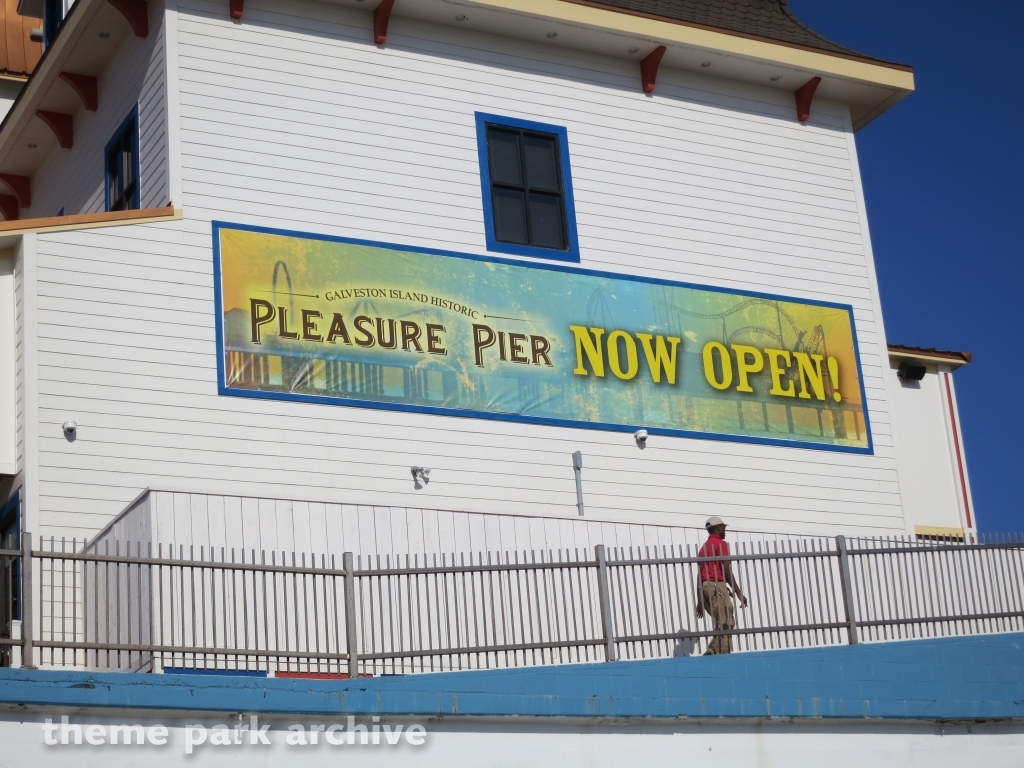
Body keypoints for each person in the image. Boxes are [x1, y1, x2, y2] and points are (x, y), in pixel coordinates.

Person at [695, 516, 747, 654]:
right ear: (718, 528)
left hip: (705, 588)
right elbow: (726, 568)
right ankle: (723, 655)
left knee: (721, 620)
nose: (725, 531)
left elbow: (699, 575)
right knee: (726, 621)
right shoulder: (721, 544)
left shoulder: (703, 548)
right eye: (723, 528)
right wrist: (738, 591)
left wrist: (700, 601)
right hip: (717, 586)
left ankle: (712, 650)